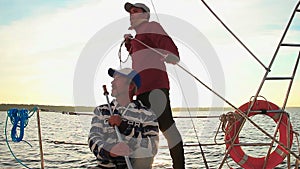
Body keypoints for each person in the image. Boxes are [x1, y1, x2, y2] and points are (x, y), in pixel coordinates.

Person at [123, 2, 185, 169]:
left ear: (145, 15)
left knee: (167, 127)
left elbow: (166, 45)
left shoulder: (151, 26)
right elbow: (142, 56)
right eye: (130, 12)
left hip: (155, 87)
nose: (132, 14)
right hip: (141, 91)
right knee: (145, 133)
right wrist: (130, 44)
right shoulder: (138, 38)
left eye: (136, 11)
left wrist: (172, 55)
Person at [88, 68, 159, 169]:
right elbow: (93, 138)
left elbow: (153, 147)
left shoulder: (147, 114)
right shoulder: (101, 110)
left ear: (130, 86)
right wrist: (110, 150)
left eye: (117, 79)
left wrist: (124, 127)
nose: (112, 82)